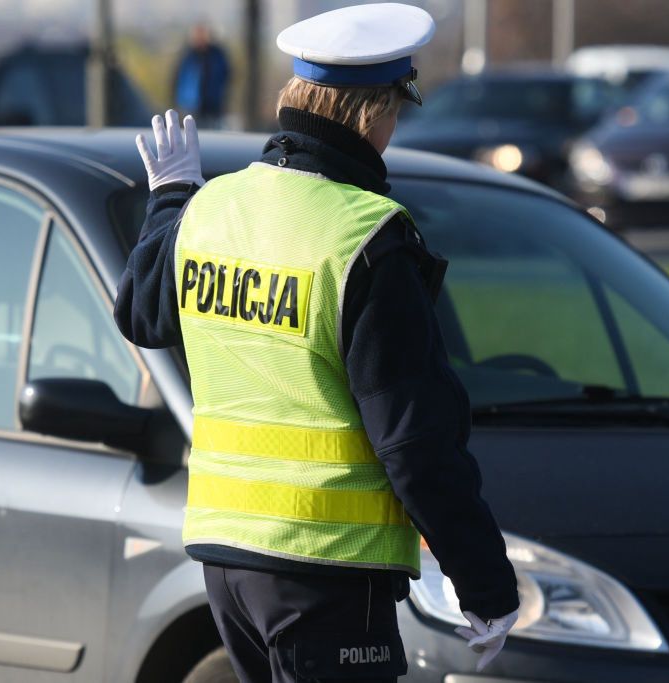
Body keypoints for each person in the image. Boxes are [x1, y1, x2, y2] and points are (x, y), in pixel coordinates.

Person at [114, 4, 519, 682]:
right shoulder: (368, 236)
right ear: (372, 113)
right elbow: (414, 441)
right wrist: (484, 582)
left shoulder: (212, 208)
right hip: (325, 564)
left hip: (225, 560)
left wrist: (171, 198)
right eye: (397, 110)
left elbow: (141, 312)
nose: (394, 130)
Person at [173, 23, 230, 129]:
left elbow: (225, 77)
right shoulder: (188, 56)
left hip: (212, 107)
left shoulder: (217, 55)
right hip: (190, 107)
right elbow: (177, 81)